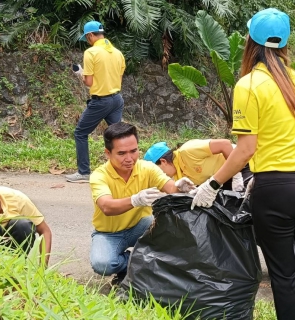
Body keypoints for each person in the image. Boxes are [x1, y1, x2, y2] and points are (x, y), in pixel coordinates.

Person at [190, 8, 295, 320]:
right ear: (284, 43)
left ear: (250, 41)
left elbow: (246, 149)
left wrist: (213, 183)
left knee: (284, 277)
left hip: (279, 189)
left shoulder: (249, 85)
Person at [88, 122, 185, 285]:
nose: (129, 158)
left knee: (173, 229)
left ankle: (153, 267)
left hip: (141, 225)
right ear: (107, 153)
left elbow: (171, 188)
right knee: (102, 265)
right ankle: (132, 265)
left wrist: (184, 187)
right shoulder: (99, 176)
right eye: (121, 153)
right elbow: (106, 206)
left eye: (133, 151)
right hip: (109, 233)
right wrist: (135, 200)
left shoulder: (147, 168)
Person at [66, 20, 127, 183]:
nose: (87, 41)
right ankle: (124, 169)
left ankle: (84, 172)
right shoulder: (117, 53)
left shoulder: (91, 53)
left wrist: (81, 74)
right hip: (117, 99)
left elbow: (90, 82)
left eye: (87, 38)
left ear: (91, 35)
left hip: (101, 101)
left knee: (80, 133)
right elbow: (118, 79)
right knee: (119, 136)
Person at [143, 139, 246, 191]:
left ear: (163, 161)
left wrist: (236, 173)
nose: (158, 175)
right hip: (223, 179)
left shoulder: (188, 151)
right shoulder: (177, 176)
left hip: (242, 164)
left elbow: (225, 144)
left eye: (157, 170)